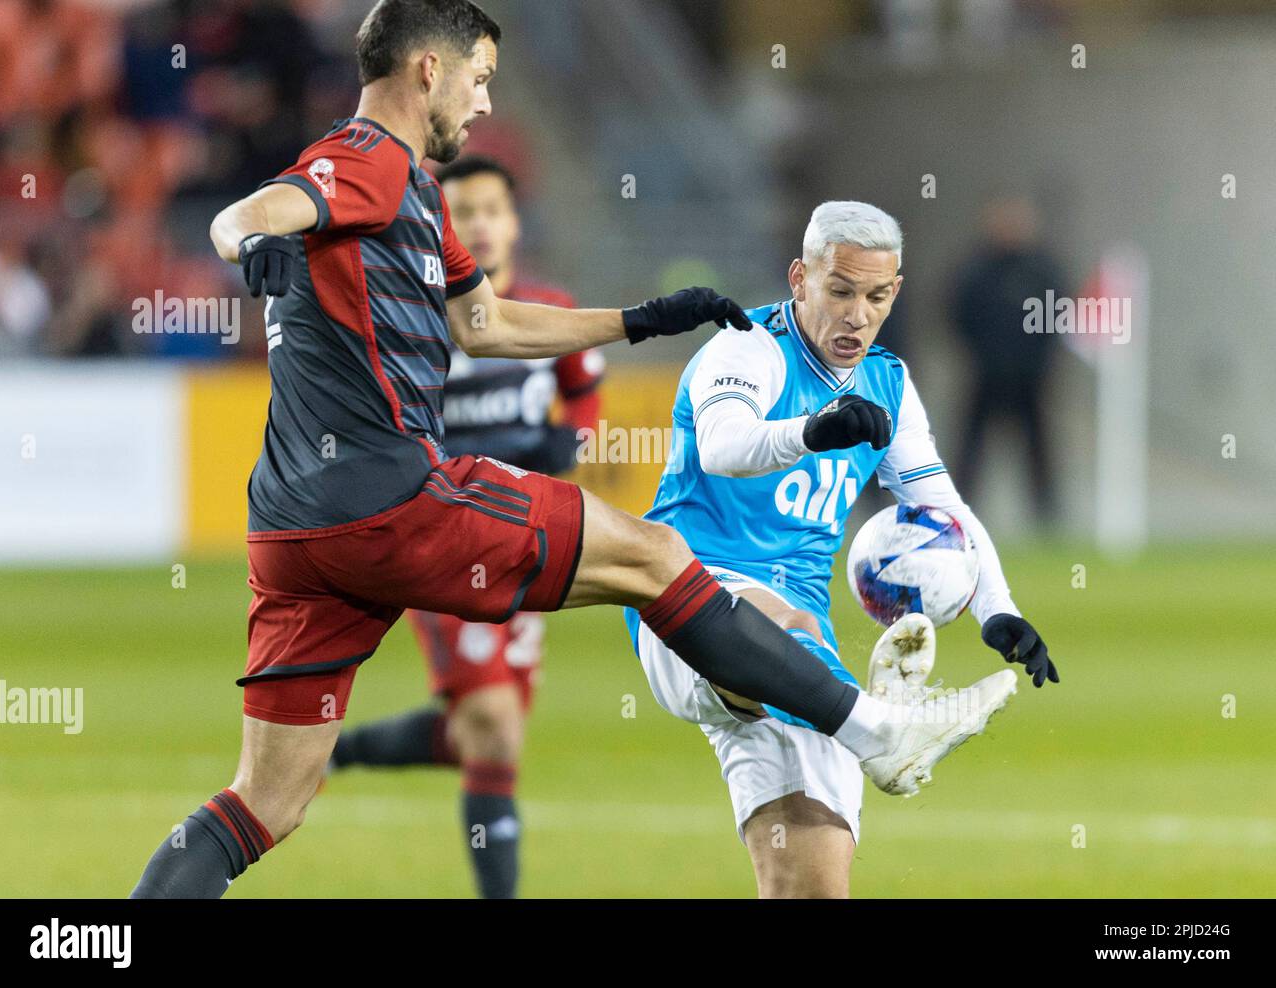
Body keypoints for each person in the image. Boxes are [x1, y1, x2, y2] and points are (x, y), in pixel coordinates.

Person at [129, 0, 1032, 899]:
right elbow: (250, 212)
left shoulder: (417, 196)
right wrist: (252, 240)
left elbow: (486, 324)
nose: (485, 104)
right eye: (480, 78)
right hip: (387, 500)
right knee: (656, 556)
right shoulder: (365, 158)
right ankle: (878, 732)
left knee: (267, 802)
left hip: (291, 535)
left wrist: (640, 321)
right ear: (428, 71)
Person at [626, 201, 1060, 898]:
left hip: (804, 660)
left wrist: (996, 610)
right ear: (800, 279)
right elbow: (724, 446)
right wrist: (812, 430)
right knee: (782, 629)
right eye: (841, 291)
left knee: (812, 883)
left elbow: (942, 508)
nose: (858, 314)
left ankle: (871, 720)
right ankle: (887, 726)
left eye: (878, 296)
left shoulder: (888, 381)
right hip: (690, 595)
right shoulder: (746, 349)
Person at [327, 155, 604, 899]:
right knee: (496, 724)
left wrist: (569, 445)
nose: (478, 224)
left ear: (514, 223)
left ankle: (337, 751)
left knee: (479, 735)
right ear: (439, 226)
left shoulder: (548, 308)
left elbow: (584, 389)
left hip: (525, 538)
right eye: (462, 212)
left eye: (491, 209)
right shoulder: (415, 318)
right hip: (443, 539)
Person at [949, 194, 1068, 524]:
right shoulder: (975, 270)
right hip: (986, 374)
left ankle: (1047, 515)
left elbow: (1058, 314)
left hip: (1029, 377)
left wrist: (1040, 360)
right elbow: (957, 314)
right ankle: (958, 513)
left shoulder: (1042, 270)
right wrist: (981, 353)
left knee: (1038, 449)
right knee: (970, 449)